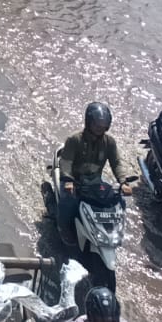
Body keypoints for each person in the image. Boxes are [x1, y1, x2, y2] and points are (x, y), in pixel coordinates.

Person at [57, 102, 132, 247]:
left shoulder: (109, 142)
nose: (100, 128)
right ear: (89, 122)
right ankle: (63, 227)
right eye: (97, 124)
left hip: (94, 181)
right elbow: (66, 163)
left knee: (119, 202)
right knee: (69, 200)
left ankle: (112, 232)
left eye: (103, 125)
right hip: (73, 180)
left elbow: (116, 163)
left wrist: (123, 182)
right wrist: (68, 179)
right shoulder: (74, 140)